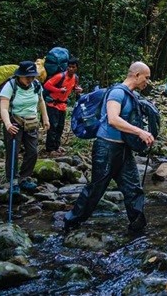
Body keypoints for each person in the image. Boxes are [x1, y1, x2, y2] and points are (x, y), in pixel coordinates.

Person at [63, 62, 155, 235]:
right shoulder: (117, 93)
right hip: (105, 148)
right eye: (146, 77)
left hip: (123, 150)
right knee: (96, 189)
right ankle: (70, 222)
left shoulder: (132, 95)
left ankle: (137, 228)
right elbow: (113, 119)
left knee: (133, 188)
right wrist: (140, 132)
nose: (147, 82)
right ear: (136, 75)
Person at [0, 61, 50, 194]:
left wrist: (45, 118)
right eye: (27, 77)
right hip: (14, 122)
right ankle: (13, 181)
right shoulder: (10, 86)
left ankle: (24, 178)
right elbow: (4, 108)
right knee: (13, 153)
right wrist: (8, 125)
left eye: (32, 76)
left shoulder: (36, 85)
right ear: (20, 75)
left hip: (31, 122)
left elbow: (41, 101)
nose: (30, 79)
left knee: (33, 152)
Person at [43, 57, 83, 155]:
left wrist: (78, 90)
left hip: (63, 105)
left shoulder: (75, 78)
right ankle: (50, 149)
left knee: (60, 127)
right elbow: (47, 85)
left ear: (76, 68)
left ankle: (56, 146)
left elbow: (74, 87)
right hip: (53, 104)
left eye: (73, 67)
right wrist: (59, 90)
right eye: (69, 67)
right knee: (53, 127)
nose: (70, 69)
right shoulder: (60, 76)